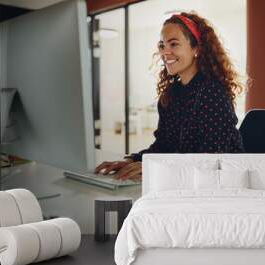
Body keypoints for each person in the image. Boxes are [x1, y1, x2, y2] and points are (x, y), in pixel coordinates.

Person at [95, 12, 245, 181]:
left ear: (197, 49)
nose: (165, 53)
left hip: (222, 183)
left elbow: (210, 158)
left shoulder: (213, 92)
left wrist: (152, 168)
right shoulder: (171, 95)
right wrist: (131, 160)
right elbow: (164, 146)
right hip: (186, 181)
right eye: (162, 45)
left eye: (173, 44)